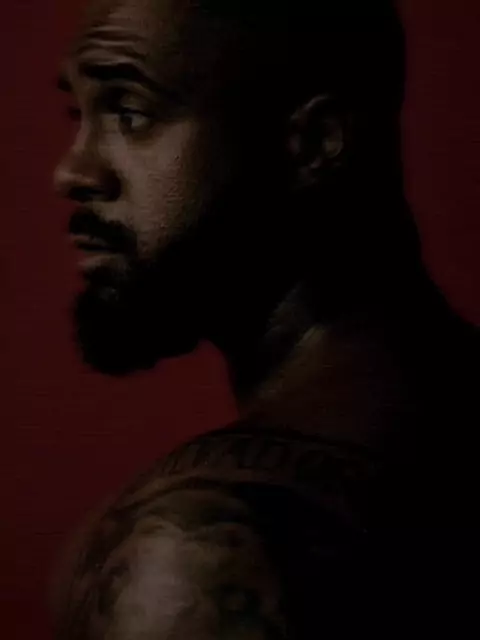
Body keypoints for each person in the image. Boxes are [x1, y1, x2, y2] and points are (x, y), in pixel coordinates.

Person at [53, 0, 479, 637]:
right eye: (79, 114)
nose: (71, 171)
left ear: (314, 142)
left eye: (129, 113)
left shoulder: (204, 555)